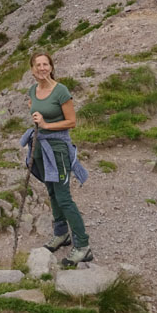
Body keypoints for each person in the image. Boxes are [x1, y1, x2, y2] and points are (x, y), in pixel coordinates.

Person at [20, 51, 93, 266]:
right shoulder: (33, 90)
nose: (42, 68)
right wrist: (37, 119)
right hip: (40, 148)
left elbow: (71, 121)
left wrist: (46, 125)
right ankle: (62, 234)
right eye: (37, 65)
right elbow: (35, 108)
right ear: (32, 69)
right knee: (51, 191)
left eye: (45, 64)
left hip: (58, 148)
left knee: (63, 197)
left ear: (51, 67)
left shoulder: (61, 91)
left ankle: (83, 245)